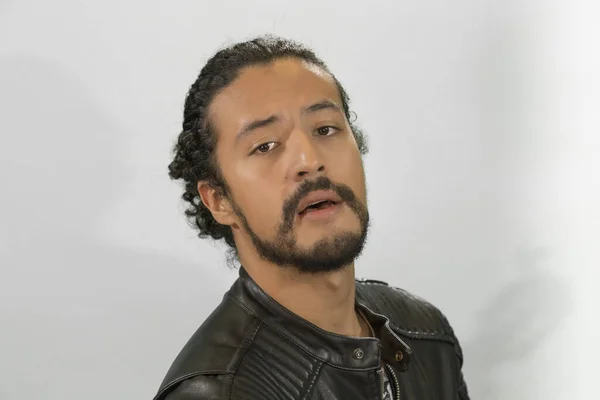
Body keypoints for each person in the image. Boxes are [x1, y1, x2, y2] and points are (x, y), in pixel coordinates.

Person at [155, 35, 470, 400]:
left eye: (325, 129)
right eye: (266, 145)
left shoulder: (427, 335)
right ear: (218, 199)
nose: (309, 160)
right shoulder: (219, 393)